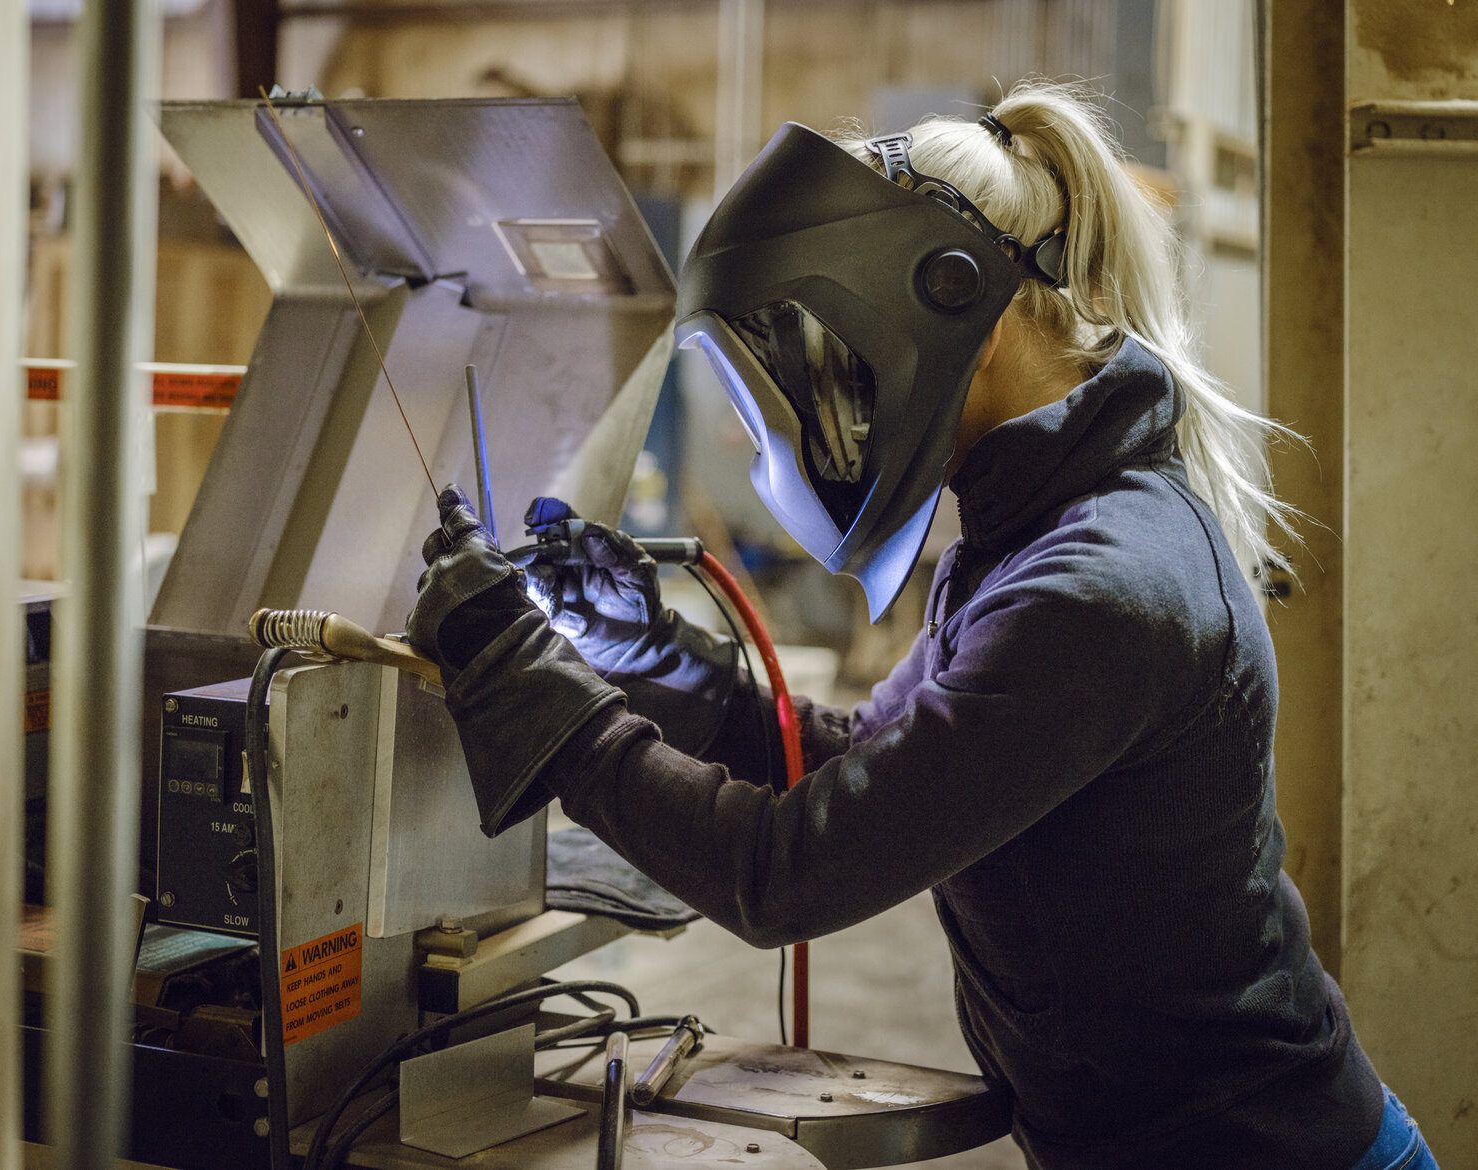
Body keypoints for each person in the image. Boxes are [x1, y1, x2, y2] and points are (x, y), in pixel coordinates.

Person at [404, 82, 1438, 1170]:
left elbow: (787, 872)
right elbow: (864, 768)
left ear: (967, 315)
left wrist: (537, 699)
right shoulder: (1024, 536)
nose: (819, 399)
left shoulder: (1099, 587)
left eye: (832, 348)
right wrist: (655, 658)